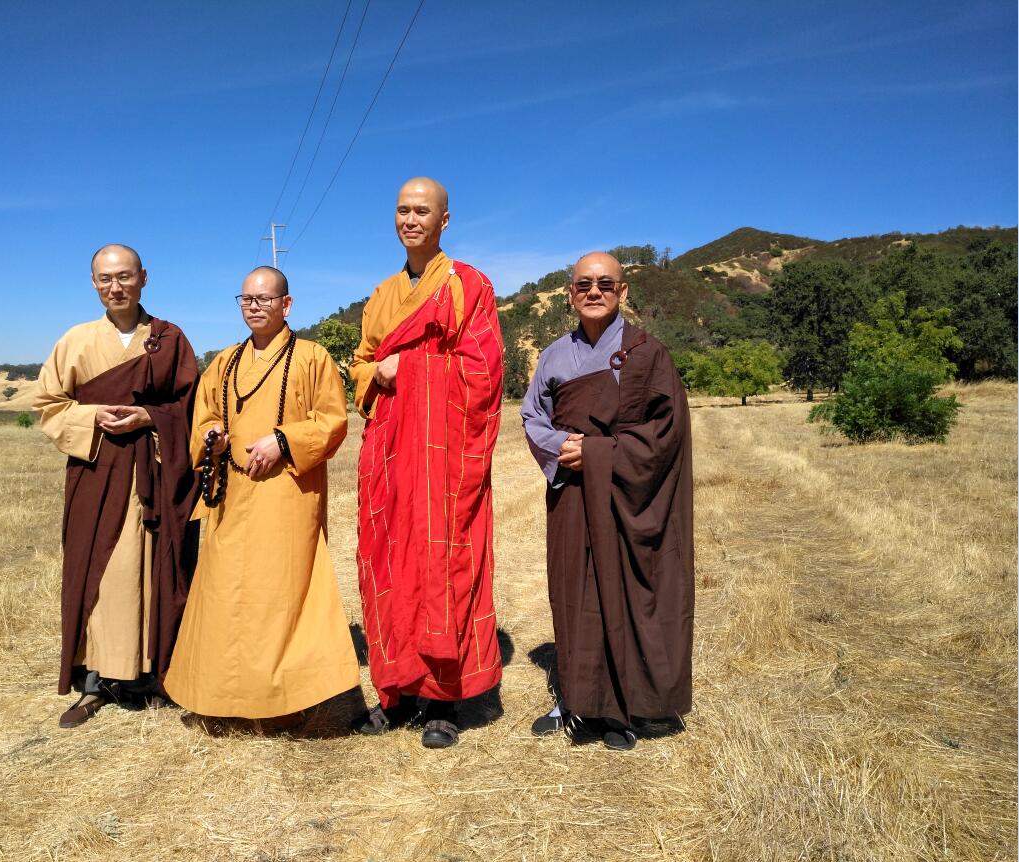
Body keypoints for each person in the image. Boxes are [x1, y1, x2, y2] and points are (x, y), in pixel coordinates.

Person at [162, 266, 359, 722]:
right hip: (233, 496)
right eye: (246, 299)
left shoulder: (312, 358)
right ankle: (221, 698)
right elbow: (205, 414)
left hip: (287, 495)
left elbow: (332, 422)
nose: (254, 306)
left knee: (282, 595)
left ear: (286, 305)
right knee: (224, 595)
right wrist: (211, 434)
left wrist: (283, 440)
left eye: (264, 299)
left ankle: (285, 702)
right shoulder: (226, 361)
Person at [349, 177, 504, 749]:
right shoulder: (383, 294)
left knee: (441, 564)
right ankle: (396, 689)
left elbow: (484, 370)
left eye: (423, 211)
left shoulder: (469, 285)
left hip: (443, 450)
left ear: (444, 220)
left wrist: (407, 371)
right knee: (390, 559)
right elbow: (362, 365)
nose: (411, 219)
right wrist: (380, 373)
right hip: (390, 447)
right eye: (402, 210)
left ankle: (441, 699)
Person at [521, 251, 694, 751]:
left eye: (604, 283)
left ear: (623, 291)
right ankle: (576, 700)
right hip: (573, 491)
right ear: (570, 294)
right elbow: (533, 417)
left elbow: (667, 432)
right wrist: (563, 449)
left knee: (619, 592)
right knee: (574, 592)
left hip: (625, 493)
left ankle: (621, 707)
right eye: (582, 285)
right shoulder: (554, 355)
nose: (593, 292)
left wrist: (599, 451)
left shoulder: (648, 353)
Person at [35, 244, 200, 728]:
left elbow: (193, 406)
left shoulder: (170, 338)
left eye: (125, 276)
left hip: (154, 468)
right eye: (105, 279)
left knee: (154, 567)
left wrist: (150, 416)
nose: (116, 286)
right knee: (100, 573)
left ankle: (157, 673)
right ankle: (97, 681)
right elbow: (48, 403)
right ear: (93, 283)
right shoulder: (78, 340)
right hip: (96, 469)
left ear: (143, 278)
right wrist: (92, 415)